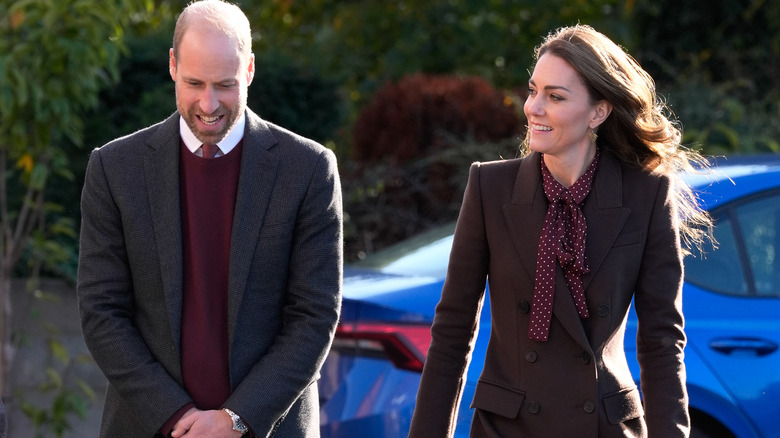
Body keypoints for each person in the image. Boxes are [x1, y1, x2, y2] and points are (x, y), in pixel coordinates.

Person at [408, 24, 710, 438]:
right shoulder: (490, 187)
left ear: (598, 113)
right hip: (507, 427)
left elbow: (661, 342)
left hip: (603, 427)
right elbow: (453, 330)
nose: (533, 107)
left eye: (555, 97)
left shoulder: (646, 194)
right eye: (533, 90)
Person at [76, 1, 343, 437]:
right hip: (148, 426)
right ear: (172, 65)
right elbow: (101, 312)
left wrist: (235, 419)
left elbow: (314, 316)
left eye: (225, 85)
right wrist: (176, 416)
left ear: (250, 69)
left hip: (270, 427)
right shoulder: (114, 168)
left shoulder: (308, 169)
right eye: (194, 83)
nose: (208, 103)